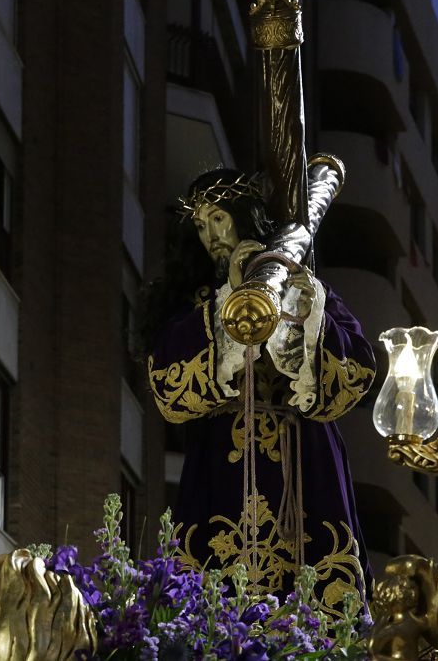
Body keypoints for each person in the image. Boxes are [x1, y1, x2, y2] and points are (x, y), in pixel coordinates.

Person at [145, 168, 377, 617]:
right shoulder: (197, 304)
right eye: (200, 224)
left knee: (317, 598)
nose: (210, 234)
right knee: (210, 607)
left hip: (304, 458)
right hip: (221, 461)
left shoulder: (306, 287)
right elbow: (167, 387)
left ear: (244, 217)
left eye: (219, 218)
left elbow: (356, 369)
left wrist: (306, 319)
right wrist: (229, 298)